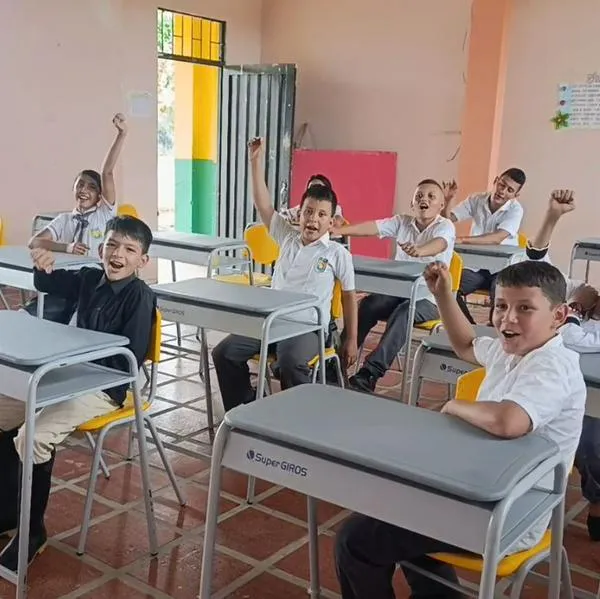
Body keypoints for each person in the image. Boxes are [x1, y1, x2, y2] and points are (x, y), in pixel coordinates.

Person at [335, 260, 585, 598]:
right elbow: (466, 344)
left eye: (525, 308)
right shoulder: (512, 350)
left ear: (559, 316)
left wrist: (454, 405)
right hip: (481, 488)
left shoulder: (553, 364)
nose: (508, 319)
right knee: (396, 505)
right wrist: (443, 296)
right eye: (501, 306)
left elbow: (509, 421)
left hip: (508, 514)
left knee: (356, 542)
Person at [0, 215, 155, 571]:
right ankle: (8, 512)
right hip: (70, 372)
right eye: (112, 245)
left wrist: (75, 352)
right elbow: (47, 282)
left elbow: (130, 356)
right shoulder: (88, 277)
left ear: (142, 260)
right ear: (101, 249)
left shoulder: (140, 297)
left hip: (107, 387)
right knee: (2, 415)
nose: (118, 254)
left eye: (129, 249)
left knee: (34, 436)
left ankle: (32, 532)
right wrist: (43, 263)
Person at [212, 138, 358, 411]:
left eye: (321, 215)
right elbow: (263, 204)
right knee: (224, 353)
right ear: (298, 215)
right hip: (272, 320)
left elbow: (349, 297)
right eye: (308, 212)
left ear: (331, 221)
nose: (313, 219)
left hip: (308, 327)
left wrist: (351, 339)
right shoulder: (287, 237)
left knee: (290, 363)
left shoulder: (337, 254)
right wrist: (255, 161)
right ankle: (245, 410)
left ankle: (296, 420)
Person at [514, 189, 600, 540]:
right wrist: (552, 217)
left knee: (591, 441)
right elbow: (538, 269)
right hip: (550, 382)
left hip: (583, 391)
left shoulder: (582, 304)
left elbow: (571, 337)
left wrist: (575, 308)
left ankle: (596, 498)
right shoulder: (583, 290)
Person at [334, 179, 455, 393]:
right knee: (369, 304)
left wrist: (420, 250)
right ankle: (336, 363)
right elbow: (373, 227)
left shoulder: (445, 226)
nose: (424, 200)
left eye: (431, 196)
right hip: (399, 292)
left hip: (430, 299)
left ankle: (370, 373)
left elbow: (440, 243)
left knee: (404, 313)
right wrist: (341, 229)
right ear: (412, 203)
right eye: (419, 196)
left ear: (441, 205)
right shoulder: (402, 222)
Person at [25, 113, 128, 323]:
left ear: (99, 196)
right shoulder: (65, 220)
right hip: (67, 279)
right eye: (80, 185)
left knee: (77, 317)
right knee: (36, 311)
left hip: (94, 281)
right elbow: (34, 242)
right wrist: (67, 247)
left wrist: (121, 135)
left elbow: (107, 172)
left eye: (91, 187)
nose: (84, 190)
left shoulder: (104, 214)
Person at [442, 168, 526, 324]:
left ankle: (493, 331)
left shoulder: (516, 209)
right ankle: (469, 328)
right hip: (476, 267)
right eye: (502, 185)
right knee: (447, 287)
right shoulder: (477, 199)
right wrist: (447, 202)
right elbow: (445, 222)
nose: (502, 191)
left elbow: (497, 238)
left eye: (510, 190)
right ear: (495, 181)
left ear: (516, 195)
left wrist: (462, 240)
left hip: (502, 269)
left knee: (501, 296)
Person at [279, 173, 345, 228]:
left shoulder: (334, 208)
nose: (315, 191)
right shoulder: (301, 208)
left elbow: (338, 222)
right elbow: (281, 217)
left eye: (321, 214)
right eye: (312, 188)